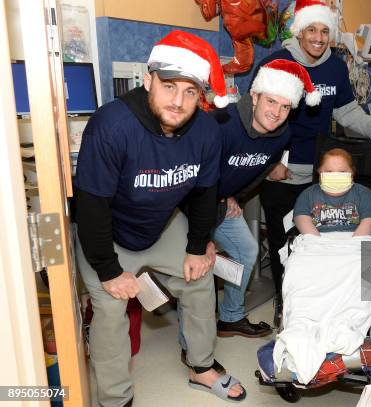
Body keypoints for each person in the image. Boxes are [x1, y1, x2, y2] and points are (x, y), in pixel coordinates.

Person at [74, 30, 246, 405]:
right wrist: (108, 270)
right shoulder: (112, 125)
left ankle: (200, 368)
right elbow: (91, 206)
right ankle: (116, 399)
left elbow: (204, 194)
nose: (178, 101)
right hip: (107, 233)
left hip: (161, 224)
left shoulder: (205, 130)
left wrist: (198, 246)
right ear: (148, 79)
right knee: (108, 309)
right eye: (169, 86)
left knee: (200, 279)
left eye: (190, 91)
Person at [252, 0, 371, 320]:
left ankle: (325, 302)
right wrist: (269, 161)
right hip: (281, 170)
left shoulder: (335, 67)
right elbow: (256, 115)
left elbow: (346, 111)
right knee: (284, 242)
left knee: (323, 240)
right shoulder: (277, 64)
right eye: (311, 29)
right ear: (299, 31)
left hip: (321, 173)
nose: (318, 36)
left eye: (324, 30)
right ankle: (289, 305)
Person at [210, 59, 322, 337]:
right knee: (196, 267)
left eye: (285, 107)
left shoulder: (280, 136)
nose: (277, 113)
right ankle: (197, 347)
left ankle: (230, 317)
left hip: (221, 201)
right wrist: (203, 234)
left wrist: (233, 196)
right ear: (255, 96)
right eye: (271, 102)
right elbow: (197, 173)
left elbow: (258, 172)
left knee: (246, 251)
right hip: (187, 203)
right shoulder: (222, 124)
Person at [294, 148, 371, 236]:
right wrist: (318, 244)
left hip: (358, 237)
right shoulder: (307, 194)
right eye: (329, 171)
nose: (335, 175)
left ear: (352, 172)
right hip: (317, 238)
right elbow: (301, 220)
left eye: (342, 171)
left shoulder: (365, 193)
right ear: (319, 172)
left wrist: (353, 245)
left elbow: (370, 223)